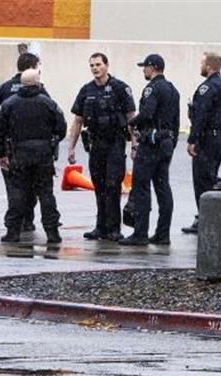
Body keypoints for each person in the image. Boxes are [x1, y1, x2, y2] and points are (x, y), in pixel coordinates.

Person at [66, 52, 137, 242]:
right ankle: (101, 226)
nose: (95, 68)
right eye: (92, 65)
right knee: (99, 185)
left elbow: (131, 117)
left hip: (115, 142)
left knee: (113, 184)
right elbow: (78, 121)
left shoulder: (120, 88)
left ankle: (114, 228)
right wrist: (71, 148)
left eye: (98, 65)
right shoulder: (86, 90)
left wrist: (135, 143)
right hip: (96, 143)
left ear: (106, 65)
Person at [0, 68, 67, 245]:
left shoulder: (9, 104)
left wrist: (0, 153)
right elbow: (61, 127)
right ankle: (52, 232)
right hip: (43, 156)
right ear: (38, 83)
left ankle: (13, 232)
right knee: (46, 194)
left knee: (18, 193)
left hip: (19, 155)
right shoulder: (47, 103)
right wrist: (50, 141)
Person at [121, 53, 181, 247]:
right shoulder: (173, 89)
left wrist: (131, 122)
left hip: (151, 143)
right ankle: (163, 233)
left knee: (141, 187)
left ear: (153, 67)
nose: (144, 71)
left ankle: (140, 233)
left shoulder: (152, 89)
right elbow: (176, 121)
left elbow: (147, 113)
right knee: (163, 188)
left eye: (145, 67)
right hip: (166, 143)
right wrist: (172, 142)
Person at [0, 51, 43, 234]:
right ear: (32, 67)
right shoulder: (39, 90)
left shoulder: (4, 88)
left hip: (10, 147)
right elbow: (54, 119)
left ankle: (15, 222)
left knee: (13, 188)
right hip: (34, 150)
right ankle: (26, 220)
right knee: (32, 187)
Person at [182, 52, 221, 235]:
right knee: (210, 176)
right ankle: (212, 216)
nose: (200, 66)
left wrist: (192, 139)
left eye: (202, 63)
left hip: (207, 138)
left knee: (202, 179)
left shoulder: (208, 87)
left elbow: (201, 115)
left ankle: (206, 218)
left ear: (209, 66)